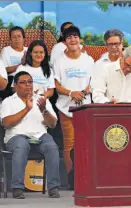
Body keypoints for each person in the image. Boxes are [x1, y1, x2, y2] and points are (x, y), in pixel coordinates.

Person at [0, 71, 60, 199]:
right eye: (23, 82)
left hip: (40, 136)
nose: (28, 85)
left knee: (51, 147)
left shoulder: (41, 99)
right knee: (21, 146)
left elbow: (53, 124)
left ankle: (53, 187)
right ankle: (17, 188)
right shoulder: (8, 102)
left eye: (30, 82)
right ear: (15, 86)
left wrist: (44, 110)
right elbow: (6, 123)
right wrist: (26, 109)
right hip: (16, 136)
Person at [53, 26, 93, 174]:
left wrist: (82, 93)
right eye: (69, 37)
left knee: (85, 143)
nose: (72, 40)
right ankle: (72, 178)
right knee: (69, 143)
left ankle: (86, 175)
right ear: (65, 41)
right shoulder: (59, 61)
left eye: (75, 36)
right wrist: (71, 93)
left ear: (80, 39)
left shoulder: (88, 60)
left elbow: (94, 82)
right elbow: (56, 85)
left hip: (85, 109)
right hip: (65, 108)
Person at [0, 26, 27, 99]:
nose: (17, 39)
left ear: (24, 38)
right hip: (11, 80)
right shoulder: (6, 50)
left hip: (27, 80)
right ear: (10, 39)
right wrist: (21, 64)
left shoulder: (28, 51)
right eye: (14, 37)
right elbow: (4, 70)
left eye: (19, 36)